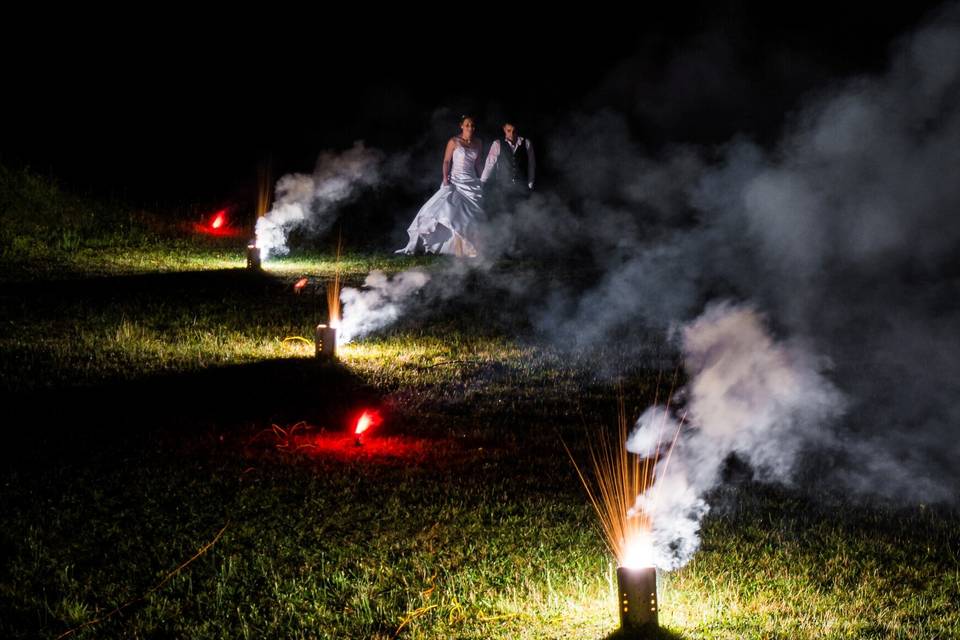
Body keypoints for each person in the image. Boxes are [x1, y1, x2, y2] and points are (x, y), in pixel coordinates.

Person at [396, 115, 484, 257]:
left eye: (472, 125)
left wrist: (482, 179)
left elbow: (478, 163)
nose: (470, 128)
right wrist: (445, 178)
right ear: (461, 126)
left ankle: (470, 249)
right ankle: (454, 249)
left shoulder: (478, 142)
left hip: (471, 183)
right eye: (467, 125)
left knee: (470, 218)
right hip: (455, 182)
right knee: (452, 215)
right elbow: (446, 161)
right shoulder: (454, 141)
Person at [480, 120, 536, 212]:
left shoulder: (526, 143)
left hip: (521, 187)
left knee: (522, 214)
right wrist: (482, 182)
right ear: (504, 129)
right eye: (509, 131)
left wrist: (530, 184)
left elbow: (531, 165)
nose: (511, 134)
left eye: (514, 131)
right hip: (502, 187)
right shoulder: (497, 144)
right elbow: (489, 164)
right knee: (504, 213)